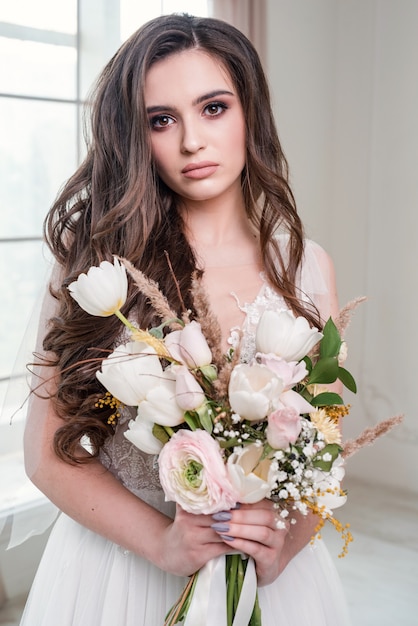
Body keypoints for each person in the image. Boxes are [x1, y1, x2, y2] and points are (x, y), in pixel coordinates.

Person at [20, 13, 350, 625]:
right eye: (161, 120)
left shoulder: (305, 267)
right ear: (133, 137)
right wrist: (161, 543)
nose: (192, 141)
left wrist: (285, 542)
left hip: (267, 579)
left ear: (251, 112)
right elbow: (46, 455)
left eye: (214, 108)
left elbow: (323, 448)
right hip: (123, 571)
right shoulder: (96, 270)